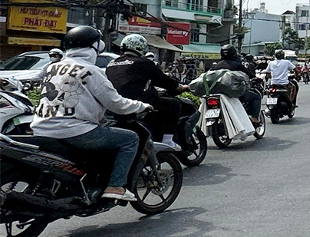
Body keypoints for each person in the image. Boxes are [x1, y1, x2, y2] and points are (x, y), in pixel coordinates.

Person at [32, 26, 152, 201]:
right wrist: (141, 106)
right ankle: (115, 186)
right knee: (130, 139)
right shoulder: (91, 70)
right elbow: (116, 103)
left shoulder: (52, 68)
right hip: (74, 131)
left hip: (41, 129)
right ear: (94, 47)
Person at [106, 34, 192, 151]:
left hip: (114, 103)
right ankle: (167, 140)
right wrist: (180, 87)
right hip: (137, 101)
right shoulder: (142, 62)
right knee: (173, 104)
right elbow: (163, 80)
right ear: (141, 48)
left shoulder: (111, 64)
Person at [210, 44, 262, 122]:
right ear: (234, 54)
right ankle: (254, 118)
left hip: (216, 93)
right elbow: (249, 75)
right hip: (233, 93)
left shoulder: (216, 66)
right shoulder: (237, 65)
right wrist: (257, 79)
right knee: (256, 97)